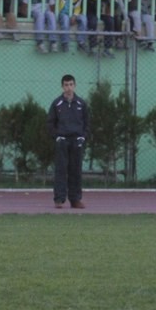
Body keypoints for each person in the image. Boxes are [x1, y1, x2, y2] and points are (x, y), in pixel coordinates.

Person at [47, 74, 90, 209]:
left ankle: (75, 199)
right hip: (62, 141)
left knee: (75, 170)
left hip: (77, 141)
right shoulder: (57, 104)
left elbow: (87, 122)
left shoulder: (81, 104)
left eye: (71, 84)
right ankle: (59, 199)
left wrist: (83, 137)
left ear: (74, 86)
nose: (69, 88)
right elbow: (50, 123)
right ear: (62, 86)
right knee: (61, 170)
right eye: (66, 85)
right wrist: (57, 136)